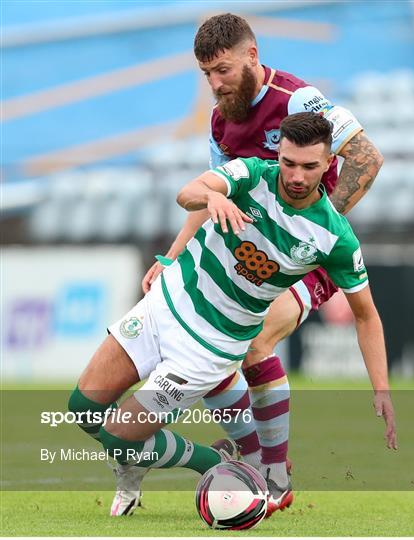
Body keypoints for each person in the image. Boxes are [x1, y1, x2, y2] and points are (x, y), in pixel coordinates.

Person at [69, 113, 397, 519]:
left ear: (330, 163)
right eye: (289, 162)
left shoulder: (335, 238)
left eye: (309, 166)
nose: (296, 175)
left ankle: (214, 464)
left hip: (208, 349)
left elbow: (366, 316)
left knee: (119, 436)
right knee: (83, 409)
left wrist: (381, 387)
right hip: (164, 306)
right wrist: (213, 197)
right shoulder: (252, 173)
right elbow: (188, 192)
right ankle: (156, 464)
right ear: (279, 153)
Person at [136, 13, 387, 517]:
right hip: (246, 260)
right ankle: (258, 465)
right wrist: (171, 255)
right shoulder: (219, 120)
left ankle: (273, 475)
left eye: (223, 70)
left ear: (252, 55)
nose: (215, 83)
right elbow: (210, 195)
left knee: (254, 340)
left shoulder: (297, 100)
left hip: (303, 256)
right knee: (215, 348)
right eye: (206, 73)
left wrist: (311, 233)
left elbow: (366, 158)